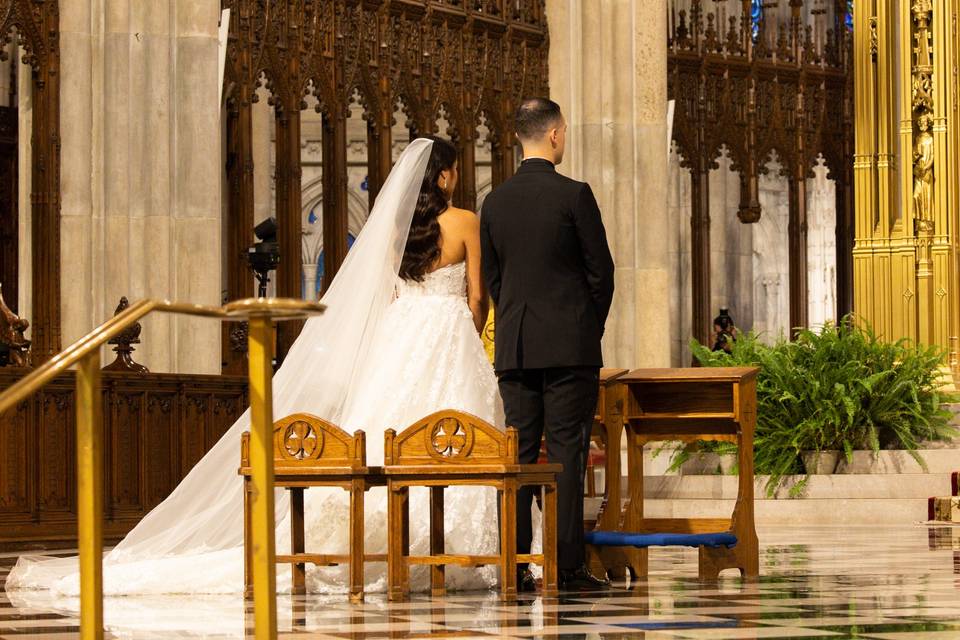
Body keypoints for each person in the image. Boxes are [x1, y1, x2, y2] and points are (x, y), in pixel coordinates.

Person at [6, 136, 506, 598]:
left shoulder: (398, 229)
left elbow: (389, 292)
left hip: (401, 336)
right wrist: (466, 325)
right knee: (457, 434)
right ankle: (455, 547)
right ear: (444, 177)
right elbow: (478, 294)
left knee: (384, 429)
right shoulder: (465, 221)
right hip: (448, 331)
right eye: (454, 172)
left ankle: (374, 540)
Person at [480, 98, 615, 592]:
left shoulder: (494, 202)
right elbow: (602, 274)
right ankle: (566, 567)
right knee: (566, 455)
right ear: (555, 134)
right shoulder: (574, 195)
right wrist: (584, 326)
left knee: (517, 458)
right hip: (569, 349)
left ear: (521, 137)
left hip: (515, 350)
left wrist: (519, 324)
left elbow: (494, 280)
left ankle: (514, 567)